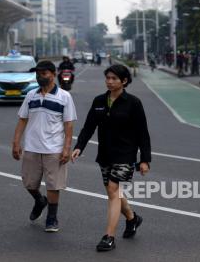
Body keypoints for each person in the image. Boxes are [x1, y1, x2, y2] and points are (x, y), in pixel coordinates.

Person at [71, 64, 151, 252]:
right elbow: (89, 127)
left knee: (114, 190)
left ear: (124, 81)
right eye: (107, 78)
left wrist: (145, 159)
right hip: (105, 154)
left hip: (126, 154)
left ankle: (109, 237)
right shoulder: (99, 101)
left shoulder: (133, 103)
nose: (109, 81)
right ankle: (132, 218)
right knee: (113, 193)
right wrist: (79, 147)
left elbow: (143, 133)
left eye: (114, 78)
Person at [12, 60, 77, 232]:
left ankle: (52, 218)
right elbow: (22, 120)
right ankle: (40, 201)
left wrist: (66, 148)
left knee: (53, 185)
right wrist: (16, 142)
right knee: (29, 184)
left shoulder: (64, 97)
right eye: (38, 74)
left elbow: (69, 125)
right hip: (32, 147)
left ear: (53, 74)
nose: (40, 77)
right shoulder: (31, 95)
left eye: (44, 74)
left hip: (54, 149)